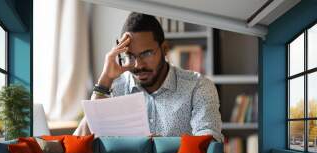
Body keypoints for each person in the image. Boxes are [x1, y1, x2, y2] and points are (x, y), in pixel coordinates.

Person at [74, 12, 223, 142]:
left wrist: (162, 146)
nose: (138, 65)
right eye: (130, 56)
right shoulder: (113, 88)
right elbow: (78, 142)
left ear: (165, 49)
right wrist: (105, 80)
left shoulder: (197, 86)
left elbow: (209, 142)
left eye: (146, 54)